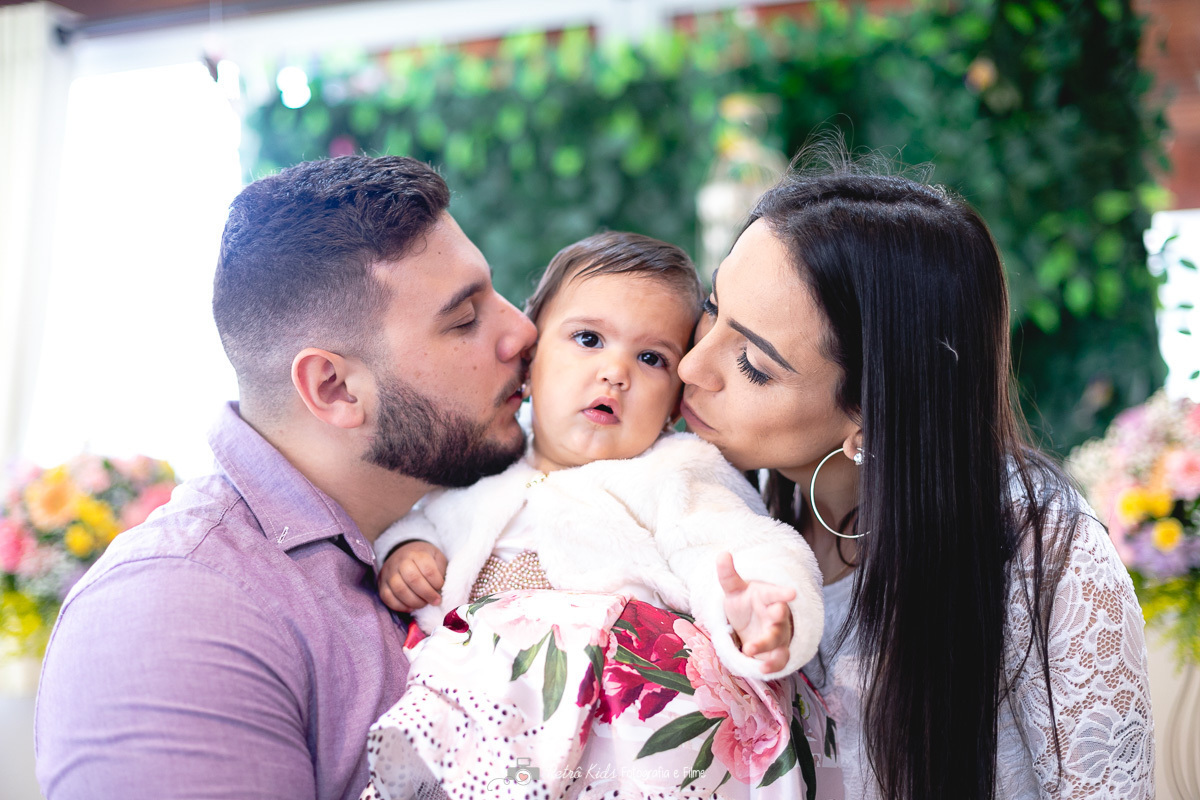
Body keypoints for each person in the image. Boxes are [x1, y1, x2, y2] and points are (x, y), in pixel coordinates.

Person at [34, 155, 538, 800]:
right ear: (333, 387)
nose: (521, 329)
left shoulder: (480, 516)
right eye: (464, 319)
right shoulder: (180, 613)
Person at [675, 159, 1156, 799]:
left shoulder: (1043, 562)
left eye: (755, 365)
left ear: (871, 420)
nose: (689, 366)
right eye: (713, 308)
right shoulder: (725, 506)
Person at [363, 232, 835, 799]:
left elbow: (743, 544)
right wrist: (406, 550)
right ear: (531, 358)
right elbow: (408, 512)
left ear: (673, 404)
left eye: (651, 358)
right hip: (477, 737)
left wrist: (757, 604)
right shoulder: (479, 463)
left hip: (621, 748)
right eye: (588, 339)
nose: (615, 371)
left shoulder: (674, 471)